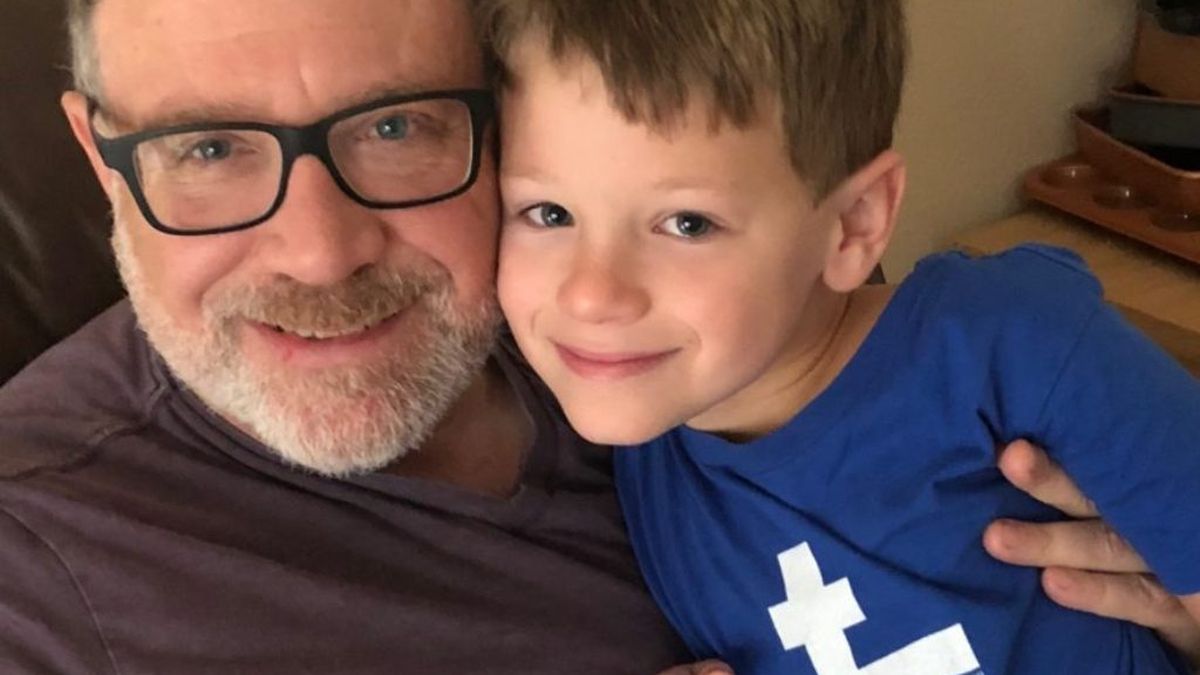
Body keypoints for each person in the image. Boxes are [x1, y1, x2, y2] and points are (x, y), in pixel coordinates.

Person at [0, 0, 1193, 673]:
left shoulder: (653, 373)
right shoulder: (40, 567)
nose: (320, 251)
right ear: (100, 158)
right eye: (206, 148)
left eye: (398, 128)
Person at [482, 0, 1200, 673]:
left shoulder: (1013, 346)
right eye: (548, 213)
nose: (592, 294)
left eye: (687, 223)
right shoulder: (643, 464)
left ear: (854, 224)